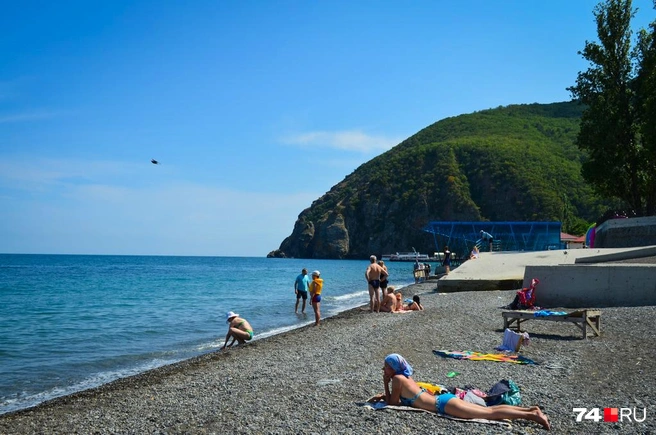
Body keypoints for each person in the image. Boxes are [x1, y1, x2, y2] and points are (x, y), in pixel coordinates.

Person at [368, 354, 550, 430]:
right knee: (489, 411)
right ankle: (530, 410)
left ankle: (533, 416)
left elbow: (392, 404)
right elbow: (398, 398)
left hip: (443, 405)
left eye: (385, 367)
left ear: (393, 368)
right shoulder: (404, 377)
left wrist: (385, 385)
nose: (384, 370)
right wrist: (385, 394)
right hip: (445, 400)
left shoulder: (398, 380)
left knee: (490, 413)